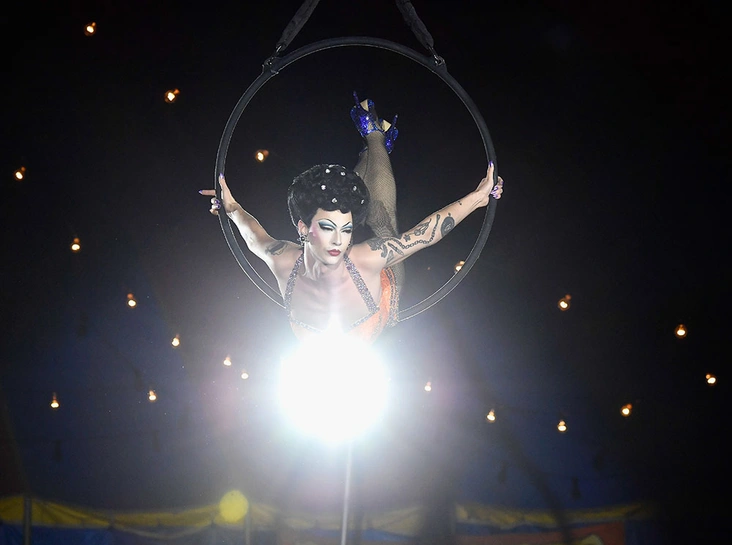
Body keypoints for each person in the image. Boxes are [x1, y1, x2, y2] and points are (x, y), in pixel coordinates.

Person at [201, 94, 503, 344]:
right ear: (303, 228)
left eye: (346, 230)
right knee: (355, 197)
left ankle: (374, 134)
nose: (339, 241)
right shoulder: (283, 260)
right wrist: (232, 208)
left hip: (381, 293)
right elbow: (253, 236)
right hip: (341, 355)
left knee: (383, 222)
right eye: (327, 228)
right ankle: (375, 150)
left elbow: (425, 234)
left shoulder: (365, 258)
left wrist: (477, 198)